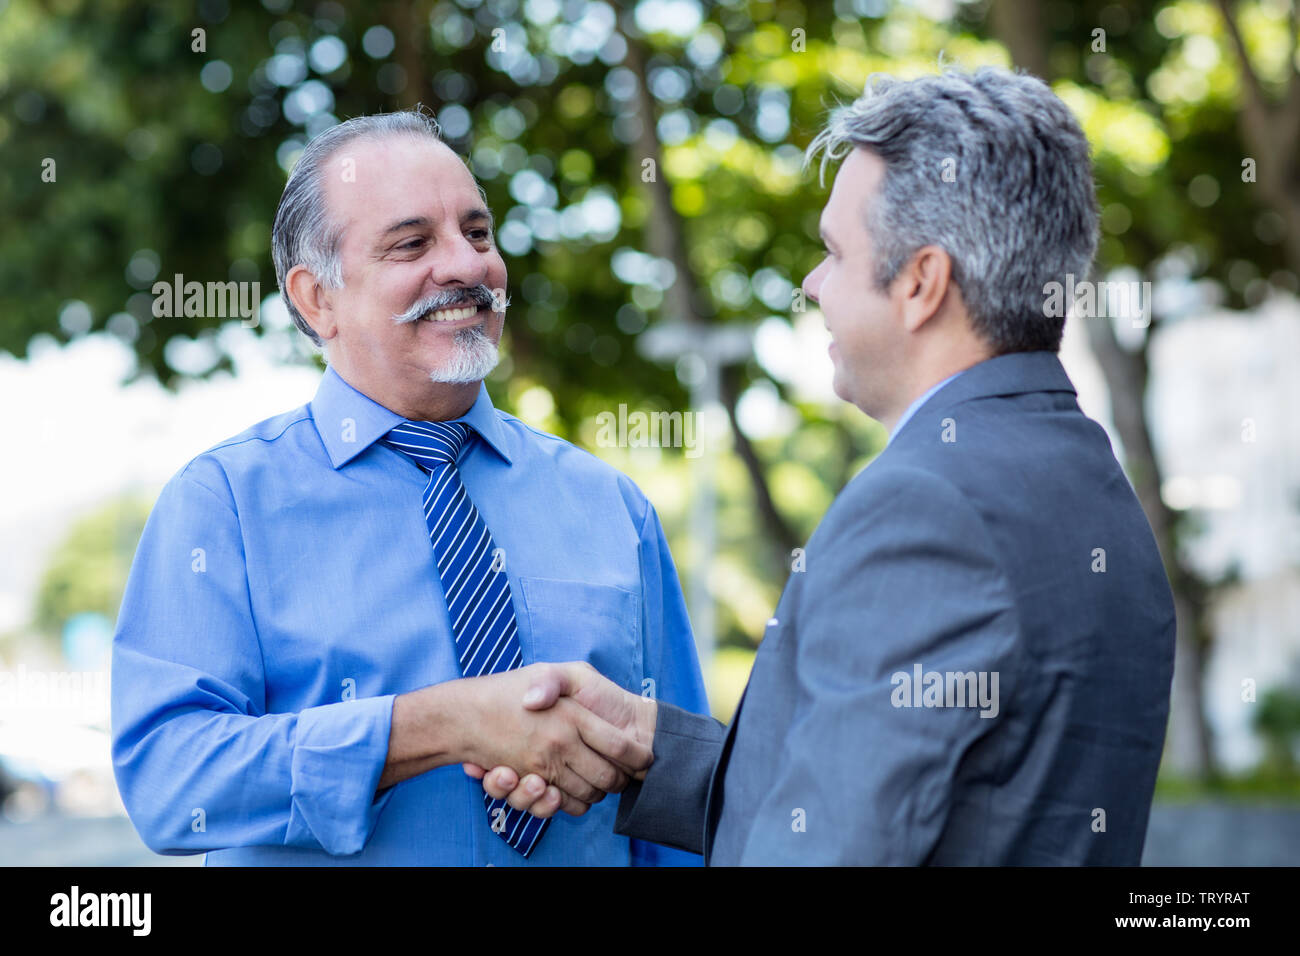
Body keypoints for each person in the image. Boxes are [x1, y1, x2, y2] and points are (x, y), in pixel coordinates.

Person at [467, 66, 1177, 865]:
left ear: (921, 283)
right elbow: (955, 794)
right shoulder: (1096, 489)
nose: (811, 285)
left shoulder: (925, 509)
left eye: (834, 253)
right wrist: (646, 744)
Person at [110, 110, 708, 866]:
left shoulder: (612, 507)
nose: (466, 265)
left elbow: (685, 804)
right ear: (314, 299)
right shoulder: (223, 504)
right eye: (413, 243)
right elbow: (170, 783)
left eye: (479, 233)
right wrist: (440, 725)